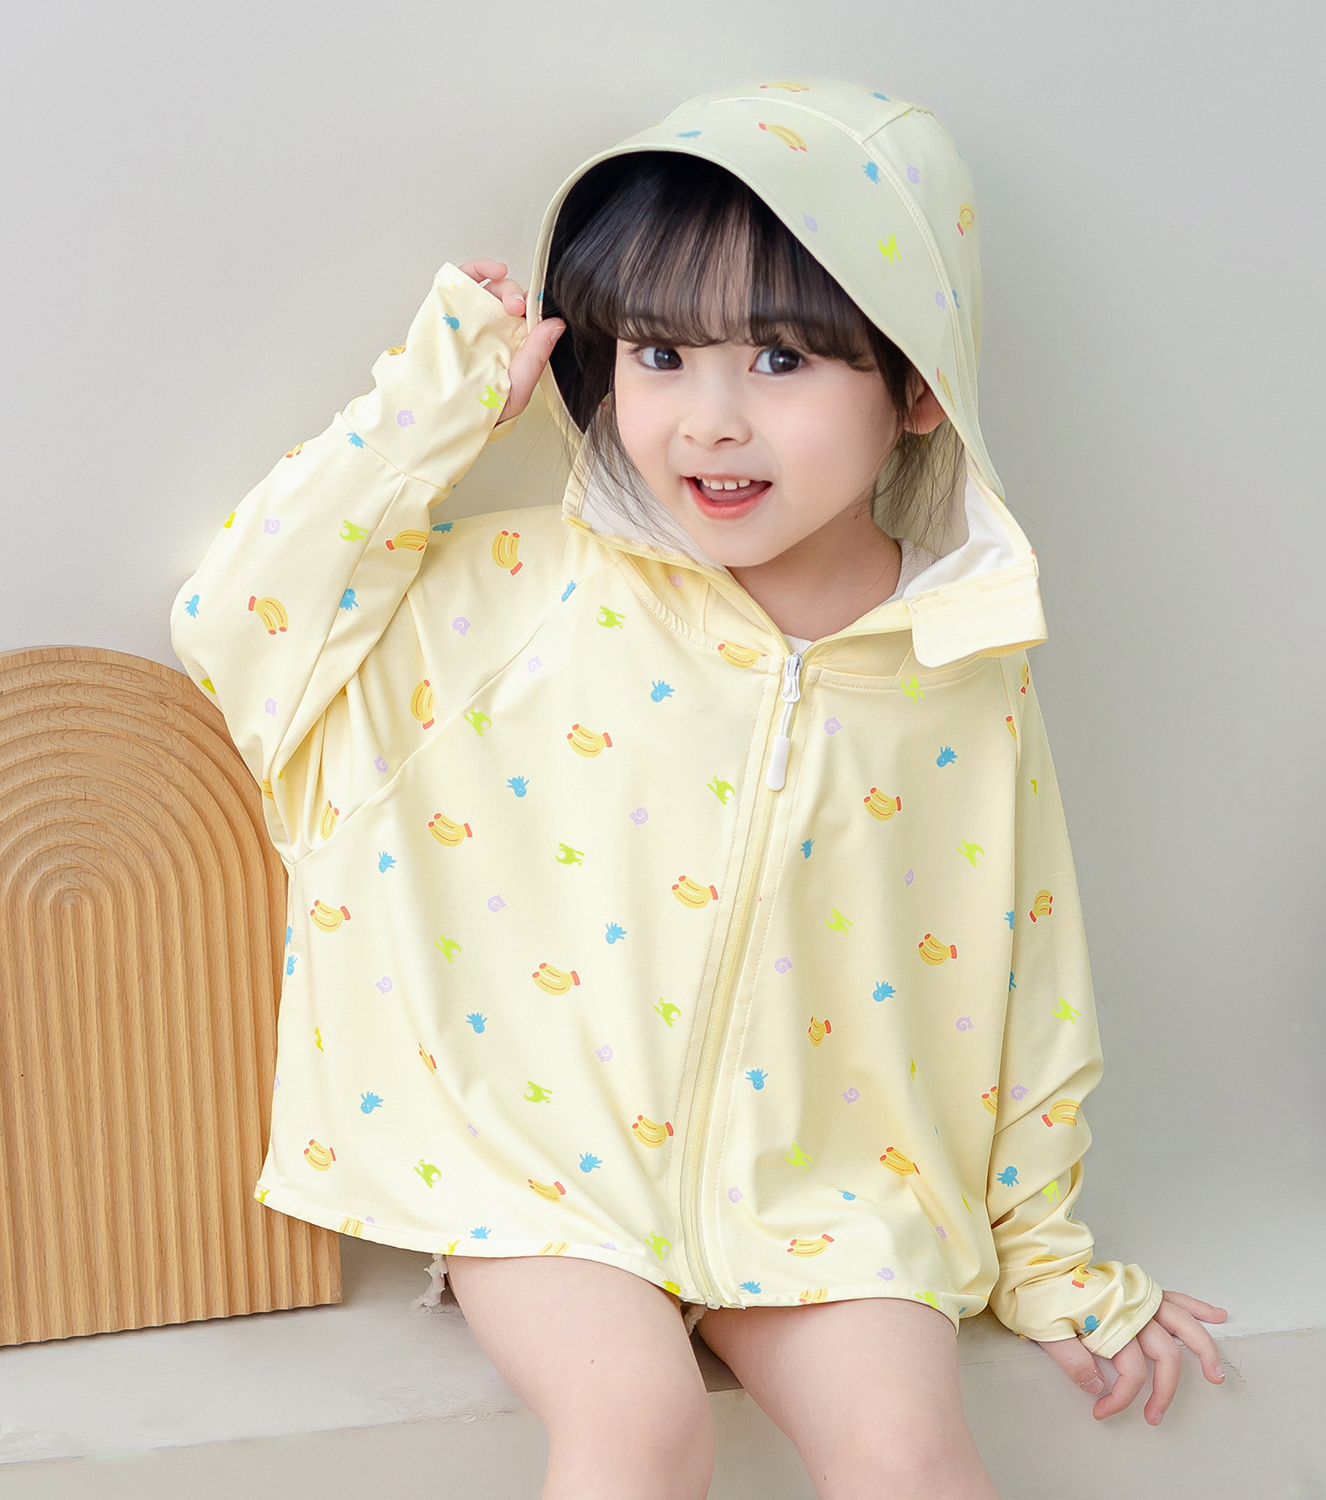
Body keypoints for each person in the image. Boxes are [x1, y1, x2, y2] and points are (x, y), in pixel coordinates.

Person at [171, 77, 1227, 1499]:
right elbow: (238, 620)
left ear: (916, 387)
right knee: (638, 1428)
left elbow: (1024, 974)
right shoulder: (524, 594)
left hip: (829, 1188)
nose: (709, 421)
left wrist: (1046, 1262)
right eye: (660, 355)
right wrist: (434, 405)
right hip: (543, 1170)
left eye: (781, 360)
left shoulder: (959, 665)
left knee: (910, 1455)